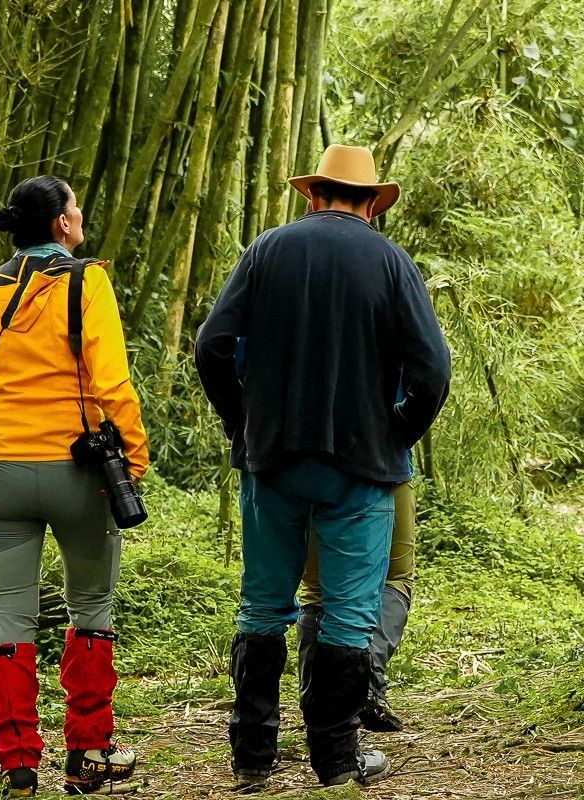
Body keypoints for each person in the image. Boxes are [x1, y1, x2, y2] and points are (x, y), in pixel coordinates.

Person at [195, 144, 450, 789]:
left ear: (314, 195)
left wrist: (241, 422)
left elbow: (212, 347)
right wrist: (395, 434)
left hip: (273, 457)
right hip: (359, 467)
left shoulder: (268, 250)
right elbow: (433, 373)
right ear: (371, 204)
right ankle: (334, 760)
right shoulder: (392, 263)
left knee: (262, 606)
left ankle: (251, 757)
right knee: (349, 614)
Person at [0, 176, 149, 797]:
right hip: (78, 474)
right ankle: (88, 754)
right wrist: (132, 462)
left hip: (1, 474)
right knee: (92, 609)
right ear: (61, 224)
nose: (80, 214)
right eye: (75, 205)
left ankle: (18, 765)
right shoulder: (86, 282)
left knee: (10, 621)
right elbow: (112, 384)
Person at [297, 480, 416, 732]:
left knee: (317, 588)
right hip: (385, 463)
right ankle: (366, 674)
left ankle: (318, 714)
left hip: (305, 466)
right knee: (395, 576)